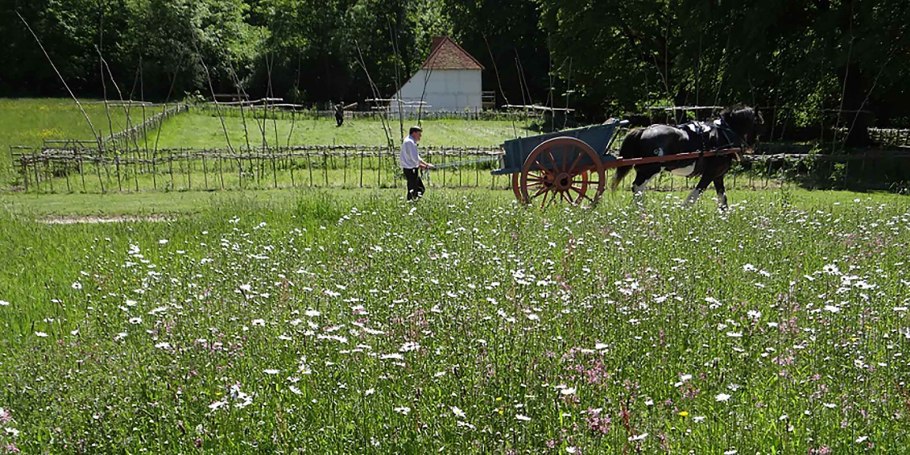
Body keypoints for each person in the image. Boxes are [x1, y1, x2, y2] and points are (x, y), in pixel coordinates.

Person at [400, 126, 433, 201]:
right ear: (414, 133)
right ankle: (411, 204)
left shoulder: (410, 141)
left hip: (411, 169)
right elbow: (414, 159)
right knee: (413, 189)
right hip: (411, 169)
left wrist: (426, 164)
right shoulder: (410, 142)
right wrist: (423, 166)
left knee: (419, 188)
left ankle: (414, 203)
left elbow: (416, 157)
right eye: (419, 134)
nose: (420, 136)